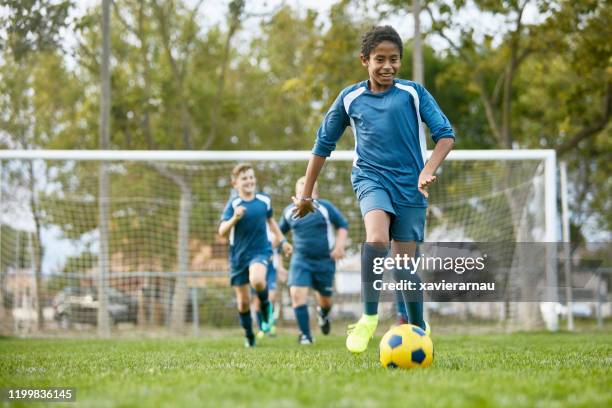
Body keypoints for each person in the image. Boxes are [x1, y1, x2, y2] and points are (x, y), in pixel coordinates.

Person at [291, 26, 455, 354]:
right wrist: (307, 196)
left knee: (405, 264)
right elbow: (322, 146)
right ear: (364, 60)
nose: (387, 66)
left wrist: (427, 169)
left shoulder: (413, 93)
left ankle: (417, 327)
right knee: (377, 238)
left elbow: (446, 135)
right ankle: (367, 318)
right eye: (380, 59)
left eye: (394, 60)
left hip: (410, 185)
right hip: (370, 179)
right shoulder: (350, 98)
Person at [219, 163, 292, 347]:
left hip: (260, 251)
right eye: (244, 178)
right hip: (238, 257)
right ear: (234, 183)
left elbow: (272, 222)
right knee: (243, 303)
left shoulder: (264, 201)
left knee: (258, 280)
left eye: (251, 177)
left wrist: (283, 241)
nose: (249, 181)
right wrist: (234, 218)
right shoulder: (233, 205)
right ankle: (248, 334)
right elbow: (222, 231)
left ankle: (266, 307)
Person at [279, 177, 348, 344]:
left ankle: (323, 315)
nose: (304, 194)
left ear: (315, 193)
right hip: (300, 259)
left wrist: (339, 247)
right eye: (300, 190)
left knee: (325, 300)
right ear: (295, 194)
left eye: (308, 190)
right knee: (296, 294)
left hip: (324, 260)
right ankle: (306, 336)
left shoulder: (325, 208)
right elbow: (278, 235)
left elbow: (342, 225)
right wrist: (280, 262)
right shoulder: (289, 212)